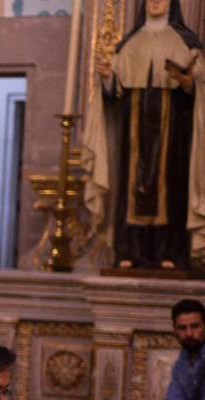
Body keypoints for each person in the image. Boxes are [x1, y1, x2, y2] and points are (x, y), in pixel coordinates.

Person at [83, 0, 204, 269]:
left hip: (173, 132)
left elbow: (197, 95)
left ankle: (169, 252)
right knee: (132, 188)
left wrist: (186, 82)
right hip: (134, 131)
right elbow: (114, 95)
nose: (156, 2)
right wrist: (107, 78)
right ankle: (130, 251)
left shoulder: (185, 42)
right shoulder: (130, 43)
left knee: (170, 188)